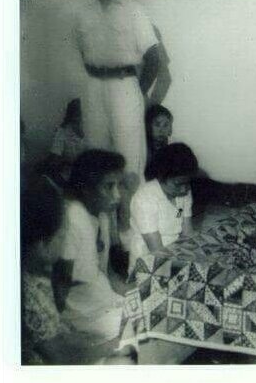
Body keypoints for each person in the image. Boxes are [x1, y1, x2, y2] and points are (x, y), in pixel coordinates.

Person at [21, 174, 134, 365]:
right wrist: (115, 345)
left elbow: (56, 333)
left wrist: (89, 341)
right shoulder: (31, 296)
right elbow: (60, 357)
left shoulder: (35, 277)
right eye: (62, 235)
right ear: (42, 245)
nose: (65, 241)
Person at [74, 0, 160, 182]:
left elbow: (154, 59)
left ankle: (131, 200)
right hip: (93, 86)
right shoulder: (84, 11)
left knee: (129, 154)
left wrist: (137, 92)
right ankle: (103, 201)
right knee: (95, 153)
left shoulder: (132, 9)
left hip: (123, 86)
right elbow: (82, 50)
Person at [54, 149, 129, 345]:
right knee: (144, 327)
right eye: (109, 186)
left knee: (155, 310)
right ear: (86, 188)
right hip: (82, 315)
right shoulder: (73, 217)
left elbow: (108, 273)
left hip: (104, 301)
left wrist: (134, 294)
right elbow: (60, 285)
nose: (117, 195)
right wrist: (63, 333)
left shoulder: (102, 215)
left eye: (119, 185)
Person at [128, 143, 198, 275]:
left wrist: (195, 256)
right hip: (149, 259)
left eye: (187, 183)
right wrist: (188, 264)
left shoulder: (184, 193)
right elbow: (157, 251)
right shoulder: (145, 199)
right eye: (178, 184)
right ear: (161, 177)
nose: (184, 189)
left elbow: (188, 233)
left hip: (176, 252)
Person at [47, 98, 87, 184]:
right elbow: (54, 158)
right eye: (76, 114)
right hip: (69, 174)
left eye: (80, 114)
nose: (79, 117)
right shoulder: (62, 132)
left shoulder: (89, 131)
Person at [144, 104, 173, 181]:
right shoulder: (144, 149)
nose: (161, 130)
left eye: (165, 125)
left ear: (170, 130)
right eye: (157, 125)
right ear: (148, 127)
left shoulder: (171, 151)